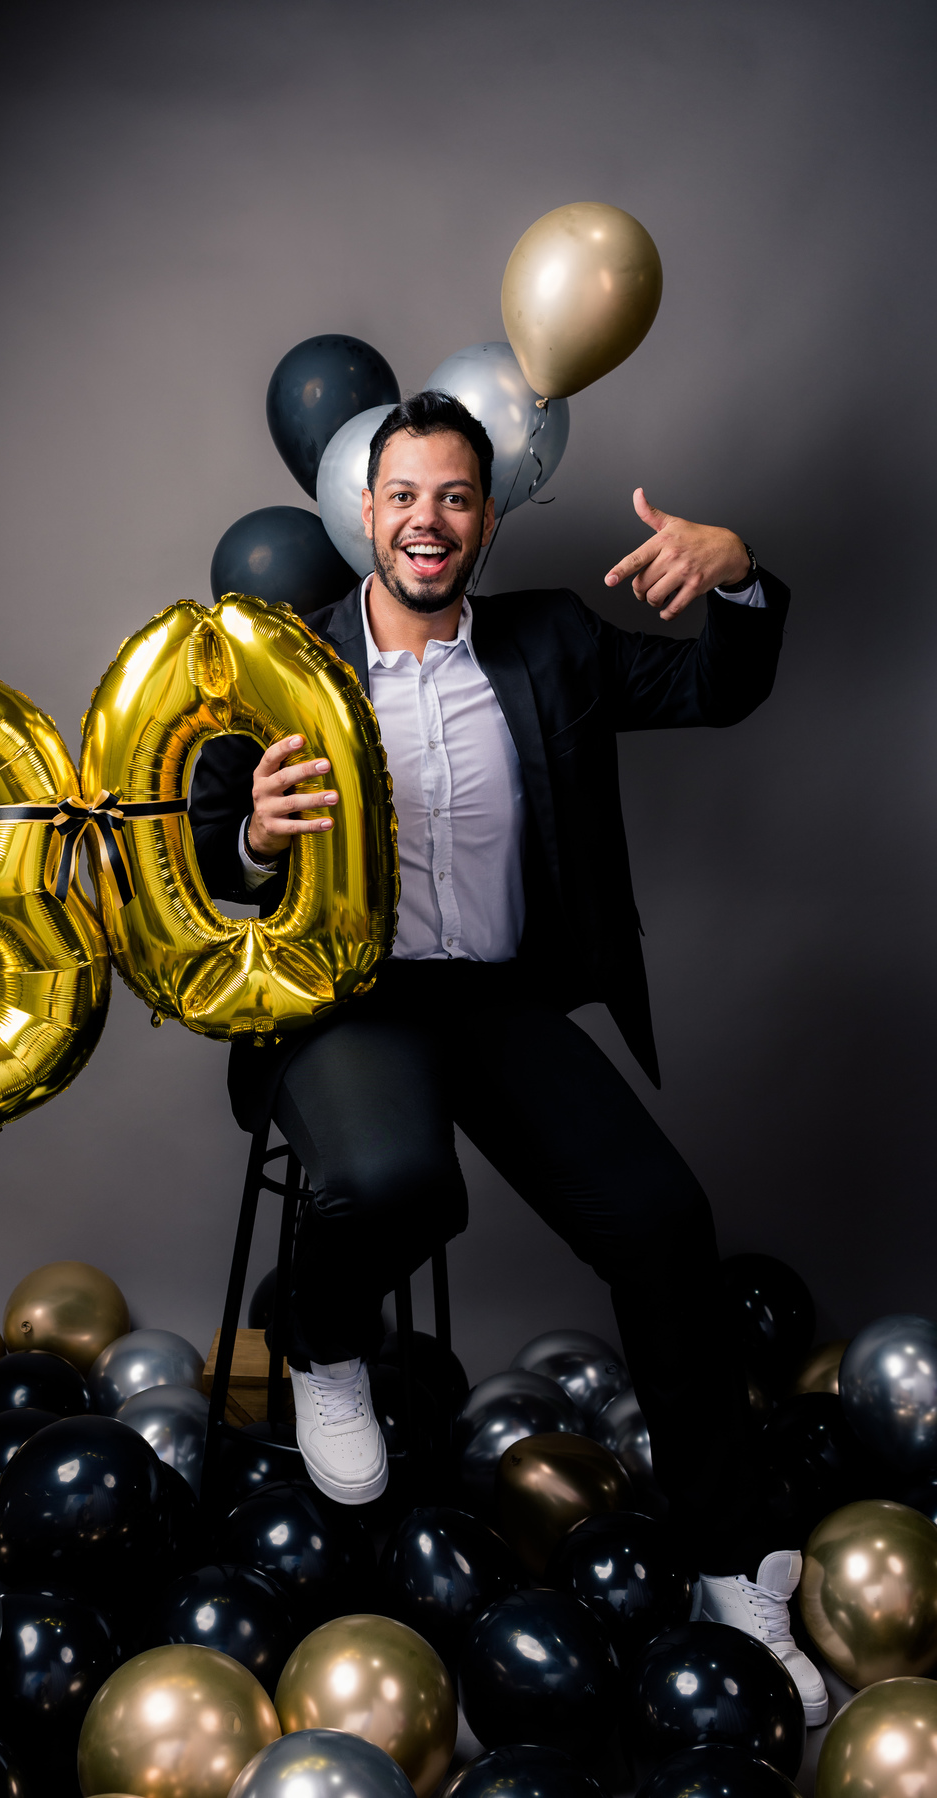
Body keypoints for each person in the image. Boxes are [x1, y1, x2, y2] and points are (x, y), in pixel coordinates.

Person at [189, 391, 825, 1722]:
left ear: (486, 519)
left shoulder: (553, 641)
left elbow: (720, 686)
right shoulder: (281, 663)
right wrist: (251, 835)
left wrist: (738, 573)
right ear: (364, 514)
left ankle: (730, 1562)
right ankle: (318, 1337)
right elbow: (202, 850)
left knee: (667, 1221)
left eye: (455, 497)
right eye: (404, 496)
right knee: (406, 1185)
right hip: (347, 999)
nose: (428, 520)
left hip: (494, 998)